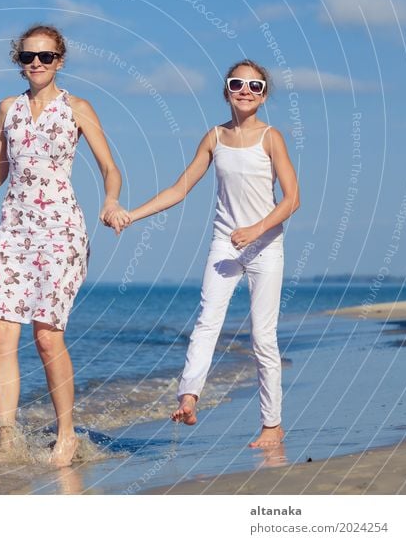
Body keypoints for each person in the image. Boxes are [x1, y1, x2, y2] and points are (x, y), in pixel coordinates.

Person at [0, 24, 130, 467]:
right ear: (19, 61)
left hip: (60, 229)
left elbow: (110, 169)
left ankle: (66, 435)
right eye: (28, 56)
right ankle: (7, 437)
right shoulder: (7, 108)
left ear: (59, 61)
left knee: (47, 337)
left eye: (45, 57)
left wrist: (110, 201)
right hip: (14, 229)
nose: (36, 64)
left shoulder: (78, 108)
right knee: (1, 332)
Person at [126, 59, 300, 448]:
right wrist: (132, 215)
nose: (245, 91)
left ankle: (272, 426)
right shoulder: (214, 137)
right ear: (226, 90)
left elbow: (292, 199)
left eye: (255, 86)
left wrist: (256, 230)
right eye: (238, 83)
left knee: (263, 336)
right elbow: (178, 189)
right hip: (225, 242)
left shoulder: (271, 138)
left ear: (264, 95)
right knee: (207, 321)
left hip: (265, 243)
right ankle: (188, 399)